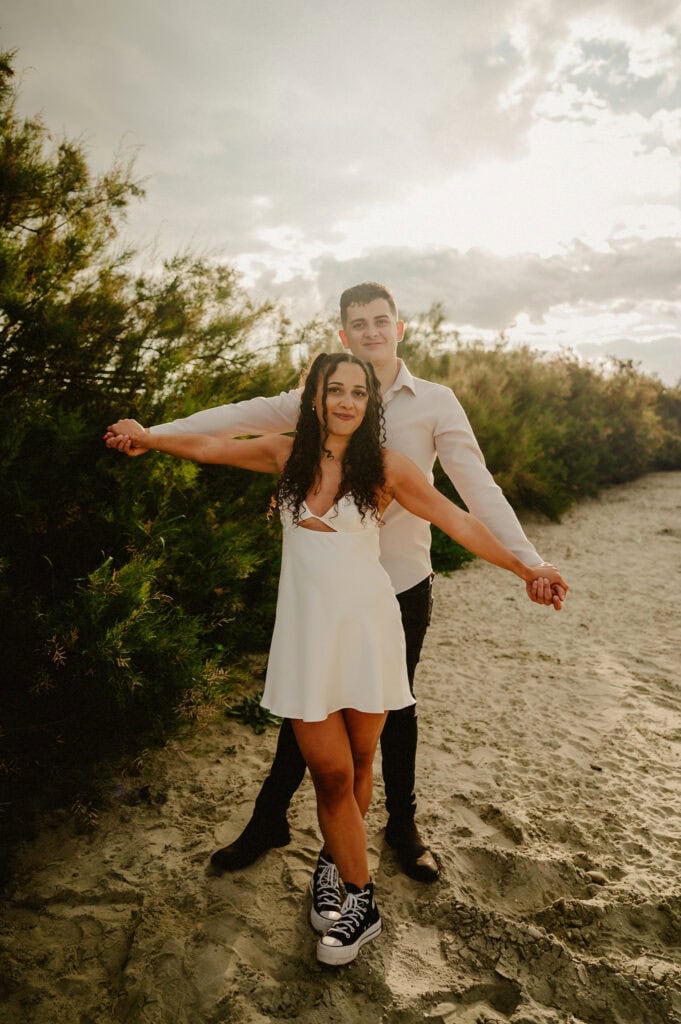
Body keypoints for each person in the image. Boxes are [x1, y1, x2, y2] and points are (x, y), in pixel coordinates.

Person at [106, 351, 567, 965]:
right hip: (304, 637)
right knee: (328, 774)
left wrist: (527, 567)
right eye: (334, 390)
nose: (346, 401)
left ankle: (347, 884)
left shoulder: (388, 467)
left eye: (357, 392)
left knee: (356, 764)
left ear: (368, 403)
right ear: (315, 397)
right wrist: (151, 437)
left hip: (368, 633)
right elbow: (213, 444)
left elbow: (460, 521)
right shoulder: (285, 454)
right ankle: (358, 887)